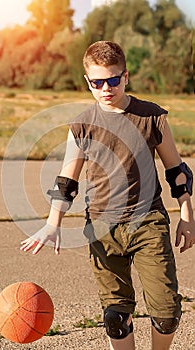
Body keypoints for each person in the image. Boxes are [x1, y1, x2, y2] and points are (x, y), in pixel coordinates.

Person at [20, 41, 195, 350]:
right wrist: (52, 223)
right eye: (97, 82)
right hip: (101, 227)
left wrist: (186, 214)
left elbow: (177, 172)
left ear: (125, 76)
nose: (106, 87)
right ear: (88, 82)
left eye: (113, 80)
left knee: (167, 313)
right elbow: (66, 182)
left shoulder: (151, 117)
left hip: (148, 223)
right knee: (116, 316)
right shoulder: (82, 126)